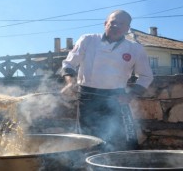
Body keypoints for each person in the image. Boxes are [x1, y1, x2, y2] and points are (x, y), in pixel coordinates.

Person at [60, 10, 153, 152]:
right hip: (87, 97)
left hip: (117, 100)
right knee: (87, 141)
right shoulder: (88, 40)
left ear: (128, 28)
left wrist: (130, 95)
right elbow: (68, 64)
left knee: (120, 141)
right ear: (105, 24)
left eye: (122, 24)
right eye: (113, 22)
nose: (116, 26)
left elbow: (146, 76)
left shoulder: (135, 48)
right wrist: (70, 82)